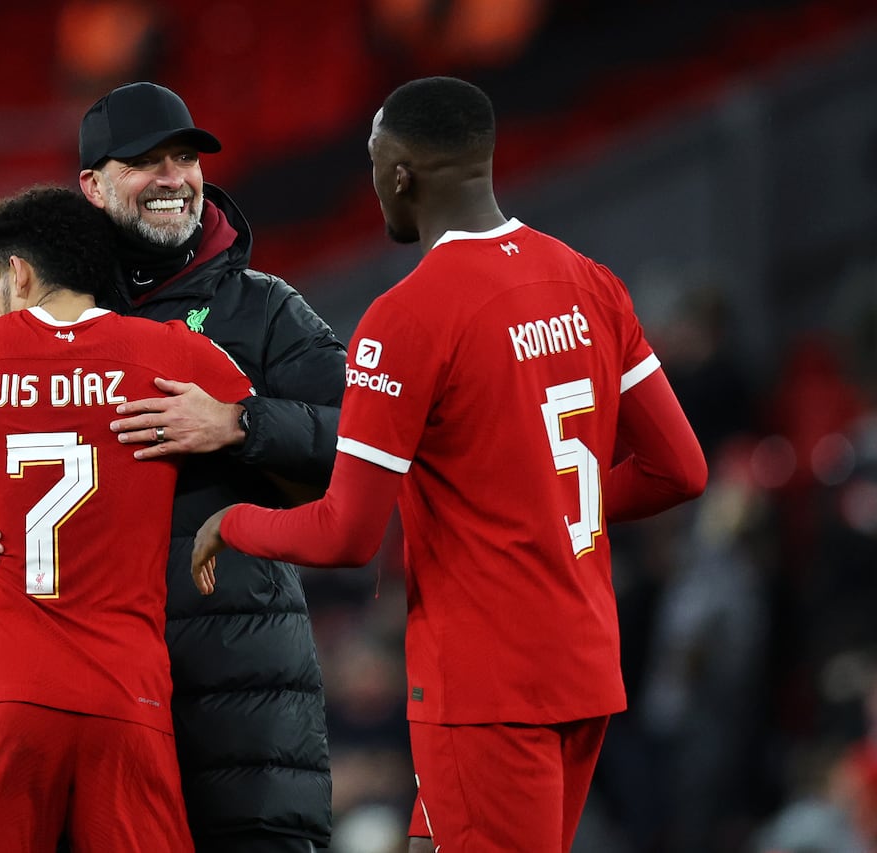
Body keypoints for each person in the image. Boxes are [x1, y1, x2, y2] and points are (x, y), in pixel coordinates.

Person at [192, 76, 709, 852]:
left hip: (487, 686)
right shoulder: (589, 282)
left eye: (373, 166)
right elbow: (680, 469)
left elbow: (347, 533)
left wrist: (233, 522)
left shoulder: (406, 317)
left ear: (400, 173)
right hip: (583, 665)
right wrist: (554, 504)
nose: (371, 187)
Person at [0, 82, 340, 852]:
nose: (174, 178)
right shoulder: (22, 320)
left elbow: (359, 443)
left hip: (237, 698)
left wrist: (238, 422)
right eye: (145, 163)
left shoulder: (264, 309)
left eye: (184, 159)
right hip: (80, 702)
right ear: (92, 187)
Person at [0, 185, 255, 851]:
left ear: (18, 271)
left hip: (3, 692)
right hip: (128, 695)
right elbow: (282, 432)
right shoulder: (173, 353)